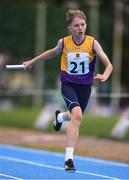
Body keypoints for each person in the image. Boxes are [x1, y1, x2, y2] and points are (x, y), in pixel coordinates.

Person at [22, 9, 113, 172]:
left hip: (85, 87)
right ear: (70, 28)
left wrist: (105, 75)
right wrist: (32, 62)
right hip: (68, 85)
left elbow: (109, 64)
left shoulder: (92, 43)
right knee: (77, 116)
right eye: (76, 25)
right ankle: (68, 160)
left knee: (74, 117)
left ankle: (60, 116)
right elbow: (51, 53)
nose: (80, 28)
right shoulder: (64, 43)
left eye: (83, 24)